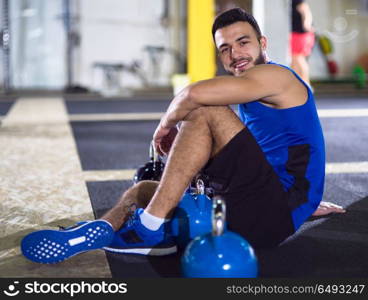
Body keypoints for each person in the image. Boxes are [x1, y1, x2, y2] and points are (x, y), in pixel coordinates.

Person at [21, 8, 345, 264]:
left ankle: (148, 229)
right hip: (258, 202)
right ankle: (104, 229)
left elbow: (192, 94)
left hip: (272, 211)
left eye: (243, 42)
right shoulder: (252, 91)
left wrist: (164, 127)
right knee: (142, 190)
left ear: (263, 44)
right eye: (225, 49)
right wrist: (309, 202)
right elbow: (279, 151)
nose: (235, 54)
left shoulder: (275, 76)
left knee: (206, 110)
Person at [290, 0, 315, 86]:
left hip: (301, 35)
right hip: (296, 34)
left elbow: (306, 11)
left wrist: (307, 25)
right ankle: (299, 85)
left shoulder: (298, 1)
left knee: (299, 58)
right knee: (294, 60)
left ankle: (306, 85)